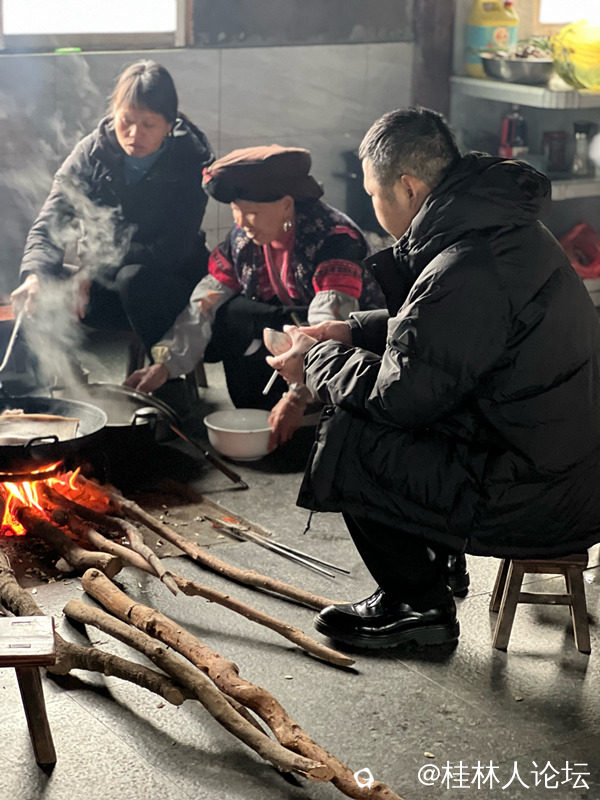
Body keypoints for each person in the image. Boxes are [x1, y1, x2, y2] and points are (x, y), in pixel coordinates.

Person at [267, 107, 600, 650]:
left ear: (408, 187)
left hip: (536, 490)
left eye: (373, 193)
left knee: (351, 432)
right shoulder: (493, 229)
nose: (372, 206)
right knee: (387, 401)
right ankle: (434, 564)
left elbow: (398, 397)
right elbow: (445, 337)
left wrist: (315, 360)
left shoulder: (469, 262)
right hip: (549, 457)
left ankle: (419, 606)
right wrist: (349, 331)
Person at [125, 144, 384, 444]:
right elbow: (206, 301)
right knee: (232, 319)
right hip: (289, 331)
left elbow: (328, 325)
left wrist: (297, 396)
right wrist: (166, 364)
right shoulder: (243, 239)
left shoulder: (334, 239)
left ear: (286, 204)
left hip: (353, 349)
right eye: (236, 211)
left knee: (317, 428)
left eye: (252, 213)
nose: (241, 223)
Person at [11, 59, 214, 358]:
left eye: (148, 125)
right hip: (106, 283)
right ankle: (57, 377)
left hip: (170, 284)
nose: (134, 134)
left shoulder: (190, 160)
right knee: (44, 287)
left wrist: (92, 271)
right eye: (125, 121)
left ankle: (167, 376)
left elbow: (170, 252)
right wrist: (35, 276)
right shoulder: (92, 153)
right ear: (114, 114)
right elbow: (50, 223)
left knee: (133, 278)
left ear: (169, 126)